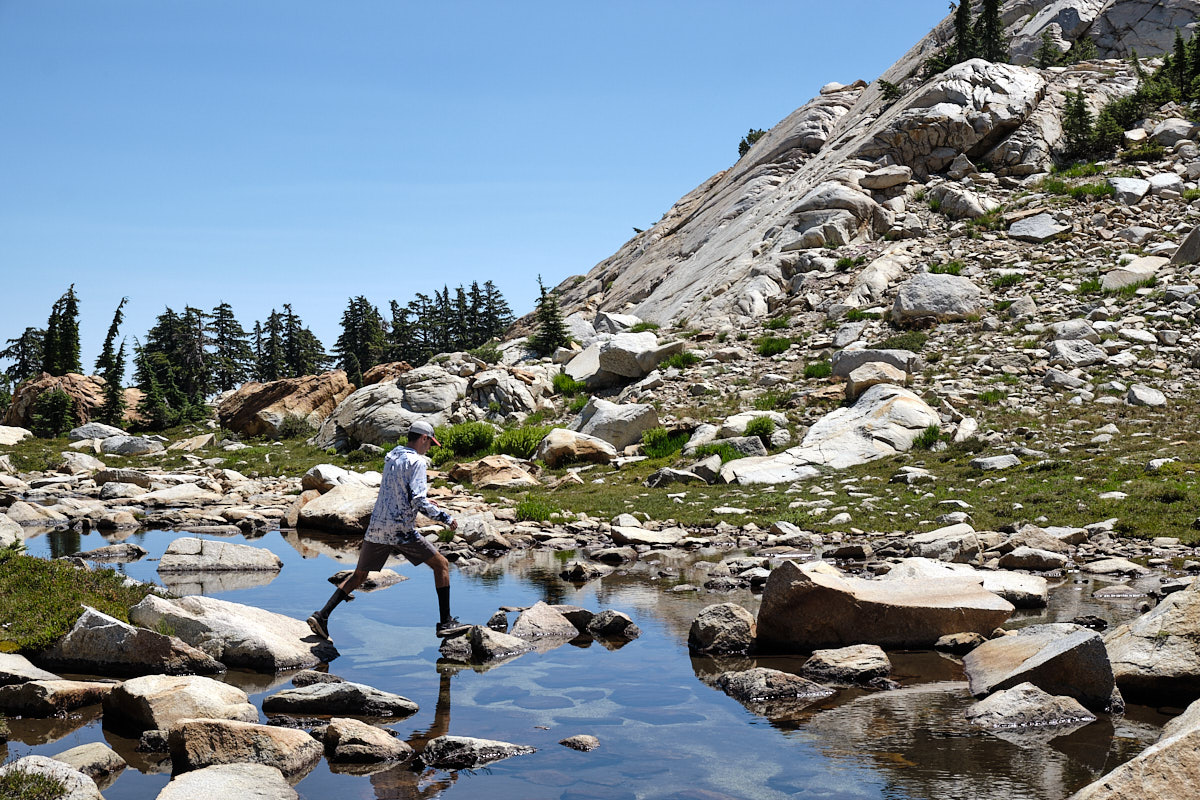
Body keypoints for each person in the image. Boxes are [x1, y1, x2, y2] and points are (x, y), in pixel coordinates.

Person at [307, 419, 465, 640]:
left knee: (359, 575)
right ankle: (445, 623)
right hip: (400, 529)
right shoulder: (418, 463)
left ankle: (322, 615)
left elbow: (399, 491)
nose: (429, 448)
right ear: (423, 438)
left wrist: (424, 502)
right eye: (430, 443)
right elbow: (418, 500)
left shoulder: (392, 456)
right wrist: (446, 518)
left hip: (377, 525)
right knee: (441, 565)